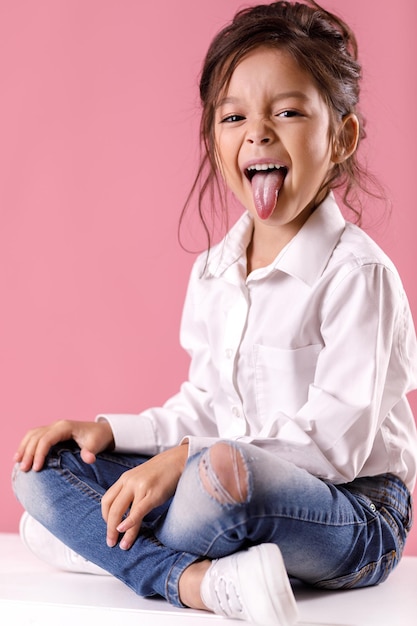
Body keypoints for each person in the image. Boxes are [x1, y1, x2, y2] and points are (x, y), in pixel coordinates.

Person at [12, 2, 417, 625]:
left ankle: (112, 550)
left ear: (342, 136)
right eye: (234, 117)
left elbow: (335, 449)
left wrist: (188, 459)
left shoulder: (358, 275)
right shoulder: (215, 270)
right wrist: (111, 433)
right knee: (42, 478)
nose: (257, 132)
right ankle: (198, 581)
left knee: (205, 485)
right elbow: (204, 405)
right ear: (214, 137)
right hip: (221, 479)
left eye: (286, 111)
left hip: (352, 513)